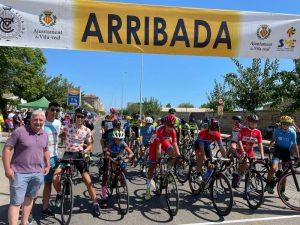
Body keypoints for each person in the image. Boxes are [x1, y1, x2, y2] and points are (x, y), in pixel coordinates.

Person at [2, 109, 50, 225]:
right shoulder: (20, 131)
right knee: (16, 202)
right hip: (19, 173)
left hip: (37, 173)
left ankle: (24, 222)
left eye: (41, 120)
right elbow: (7, 149)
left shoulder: (44, 134)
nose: (38, 122)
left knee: (29, 199)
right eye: (35, 119)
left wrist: (48, 165)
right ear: (31, 120)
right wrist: (7, 168)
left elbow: (45, 150)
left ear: (44, 121)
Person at [52, 107, 100, 217]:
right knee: (55, 177)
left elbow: (90, 145)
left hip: (79, 154)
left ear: (84, 119)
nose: (79, 118)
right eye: (78, 116)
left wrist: (85, 151)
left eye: (82, 117)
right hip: (68, 154)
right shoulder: (67, 127)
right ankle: (59, 193)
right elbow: (55, 132)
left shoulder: (87, 130)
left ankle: (95, 203)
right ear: (75, 116)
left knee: (88, 181)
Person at [145, 114, 181, 200]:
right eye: (168, 125)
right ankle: (148, 189)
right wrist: (158, 161)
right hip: (154, 144)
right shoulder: (159, 130)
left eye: (172, 125)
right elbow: (158, 148)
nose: (170, 127)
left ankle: (168, 173)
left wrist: (179, 156)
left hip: (164, 141)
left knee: (174, 155)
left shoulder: (173, 131)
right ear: (164, 124)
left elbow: (175, 144)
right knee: (152, 167)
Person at [265, 116, 299, 200]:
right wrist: (269, 147)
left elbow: (295, 145)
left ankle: (282, 191)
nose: (285, 126)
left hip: (286, 153)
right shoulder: (277, 131)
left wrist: (297, 156)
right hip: (278, 151)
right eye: (283, 124)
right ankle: (268, 184)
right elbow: (273, 140)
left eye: (287, 124)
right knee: (273, 168)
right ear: (281, 124)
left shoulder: (292, 132)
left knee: (285, 174)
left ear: (290, 125)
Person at [101, 130, 134, 208]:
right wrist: (107, 155)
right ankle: (103, 198)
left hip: (118, 157)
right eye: (117, 139)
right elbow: (106, 154)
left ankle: (121, 179)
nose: (119, 141)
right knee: (105, 175)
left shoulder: (123, 143)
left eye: (121, 139)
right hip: (109, 156)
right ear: (114, 138)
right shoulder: (111, 143)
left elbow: (131, 153)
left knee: (123, 168)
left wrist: (127, 159)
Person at [40, 102, 62, 217]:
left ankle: (58, 194)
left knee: (53, 181)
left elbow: (61, 136)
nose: (55, 112)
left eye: (57, 110)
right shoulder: (41, 121)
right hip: (40, 158)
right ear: (48, 109)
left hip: (54, 157)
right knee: (41, 184)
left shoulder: (58, 123)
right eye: (52, 109)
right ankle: (42, 208)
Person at [232, 114, 265, 188]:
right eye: (252, 122)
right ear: (248, 122)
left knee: (248, 169)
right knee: (246, 164)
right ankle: (236, 172)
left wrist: (262, 155)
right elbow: (239, 140)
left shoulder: (258, 132)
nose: (254, 123)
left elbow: (260, 144)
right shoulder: (243, 130)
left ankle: (246, 186)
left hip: (250, 152)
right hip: (240, 150)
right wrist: (243, 151)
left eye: (255, 122)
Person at [194, 118, 227, 184]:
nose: (213, 130)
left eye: (215, 128)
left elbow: (221, 148)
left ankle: (206, 178)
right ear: (209, 127)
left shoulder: (217, 134)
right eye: (211, 128)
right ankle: (198, 175)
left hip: (207, 147)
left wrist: (226, 159)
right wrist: (206, 160)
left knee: (211, 163)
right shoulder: (202, 133)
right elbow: (202, 149)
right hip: (198, 146)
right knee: (201, 156)